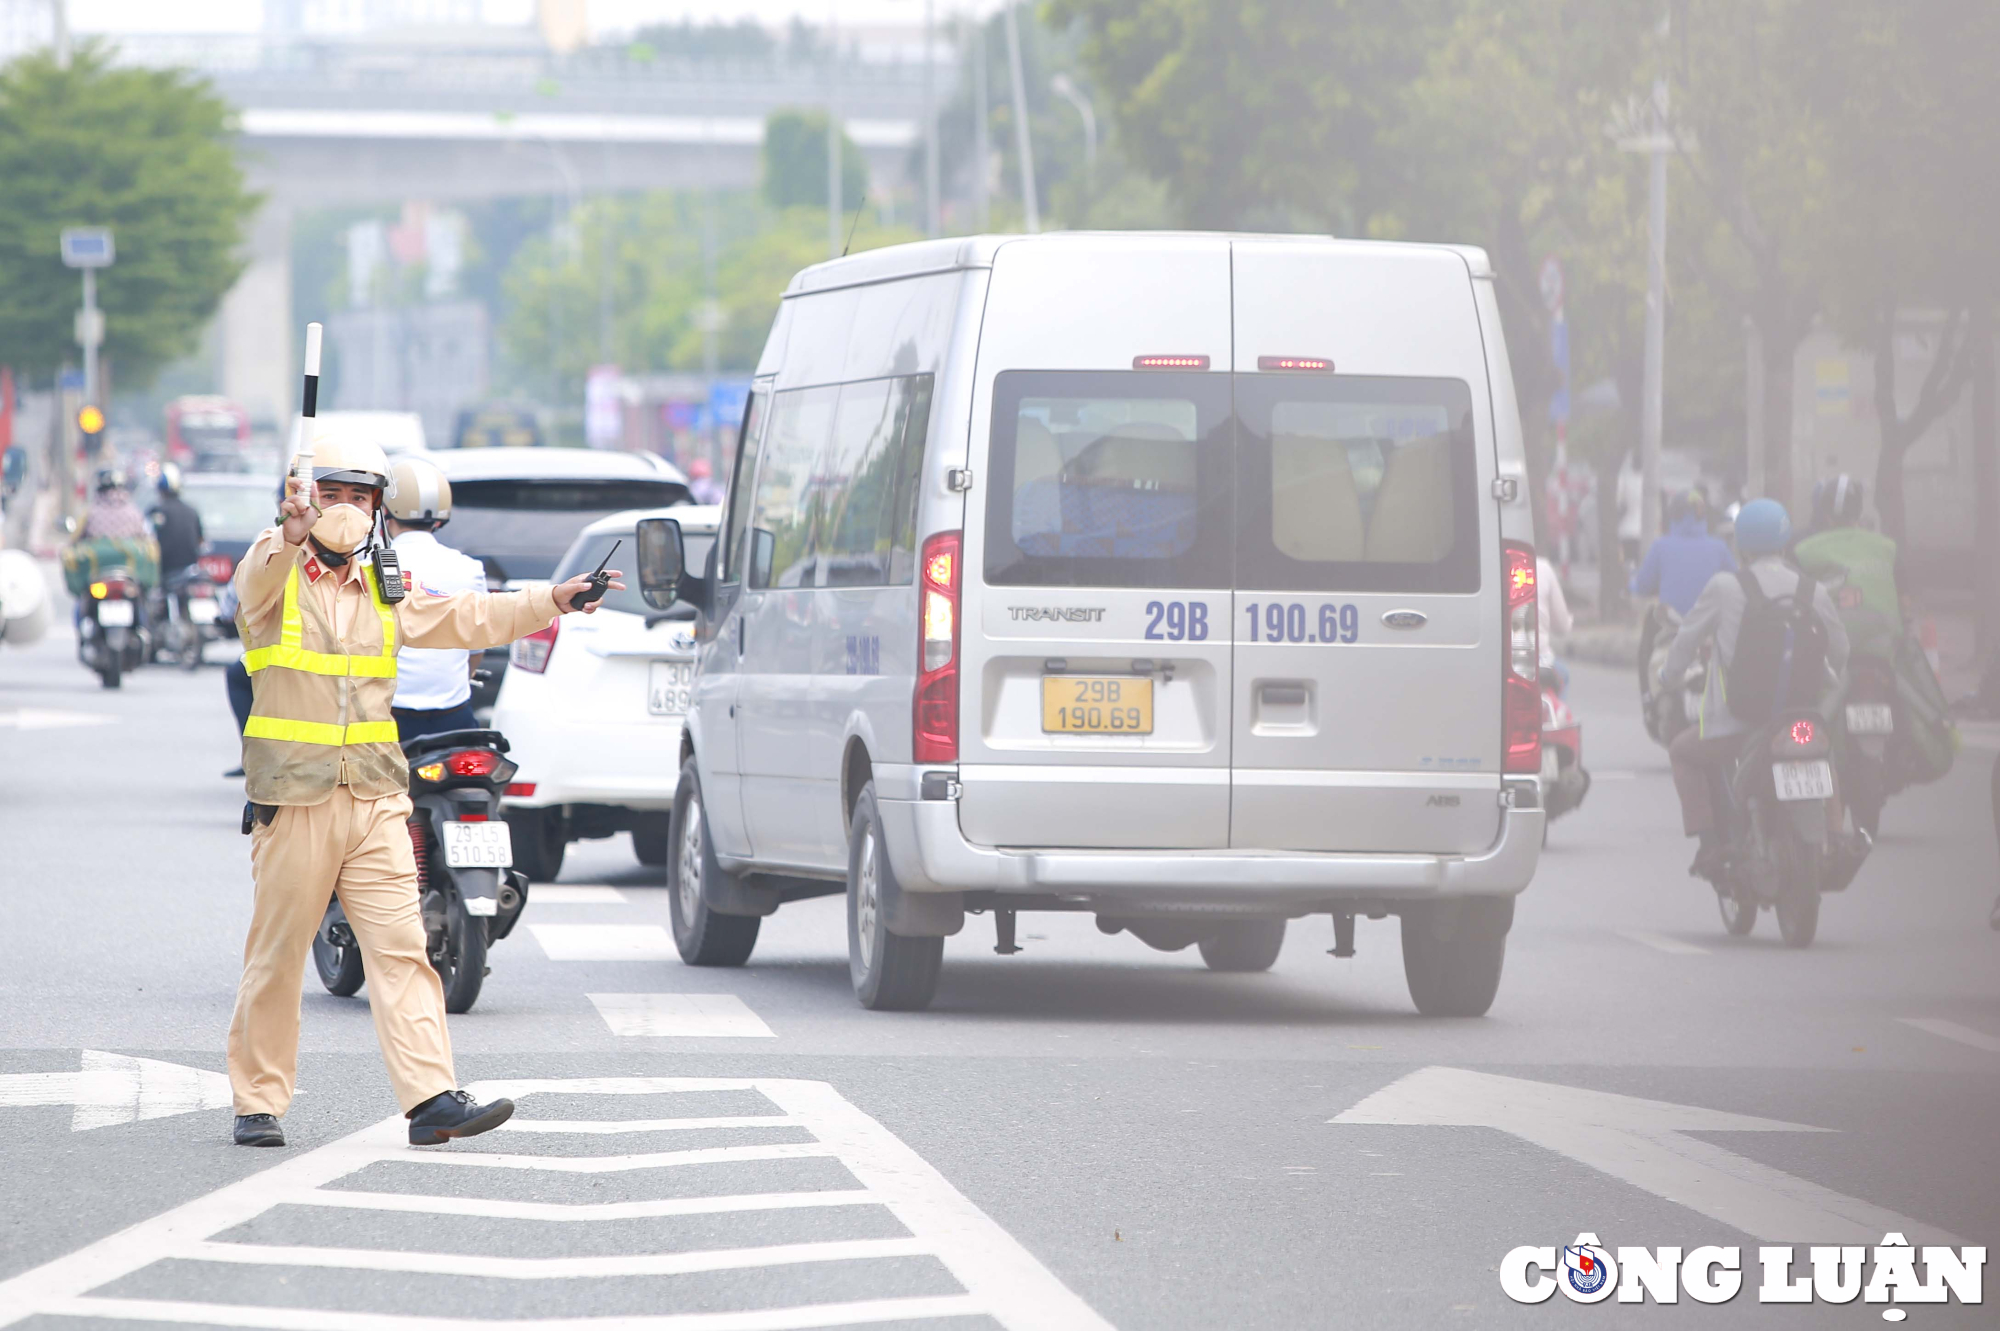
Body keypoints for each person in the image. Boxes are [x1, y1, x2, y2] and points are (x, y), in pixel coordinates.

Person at [227, 427, 622, 1149]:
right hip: (296, 798)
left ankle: (431, 1098)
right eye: (331, 494)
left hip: (377, 798)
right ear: (303, 501)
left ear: (380, 508)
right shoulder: (273, 576)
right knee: (279, 952)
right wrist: (285, 534)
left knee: (403, 949)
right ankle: (258, 1099)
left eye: (359, 496)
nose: (345, 507)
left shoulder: (384, 583)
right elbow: (251, 580)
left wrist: (554, 599)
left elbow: (467, 617)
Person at [1659, 499, 1849, 877]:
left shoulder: (1725, 587)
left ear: (1740, 545)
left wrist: (1667, 679)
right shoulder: (1812, 590)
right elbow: (1841, 650)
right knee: (1823, 755)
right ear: (1784, 542)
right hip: (1799, 722)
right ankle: (1836, 837)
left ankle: (1712, 845)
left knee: (1682, 751)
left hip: (1737, 727)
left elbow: (1684, 641)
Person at [383, 456, 487, 740]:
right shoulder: (469, 568)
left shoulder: (371, 565)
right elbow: (477, 645)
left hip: (387, 717)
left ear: (384, 510)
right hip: (454, 716)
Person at [1792, 474, 1903, 662]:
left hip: (1829, 651)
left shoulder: (1803, 550)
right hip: (1885, 650)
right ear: (1859, 514)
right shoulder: (1888, 548)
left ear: (1826, 516)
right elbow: (1905, 600)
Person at [149, 463, 205, 574]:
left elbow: (148, 541)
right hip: (189, 569)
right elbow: (200, 541)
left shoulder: (157, 511)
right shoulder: (191, 511)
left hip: (164, 571)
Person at [1536, 554, 1573, 695]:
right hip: (1539, 660)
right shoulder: (1542, 568)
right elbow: (1562, 627)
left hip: (1499, 660)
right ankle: (1558, 715)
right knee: (1563, 675)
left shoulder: (1491, 570)